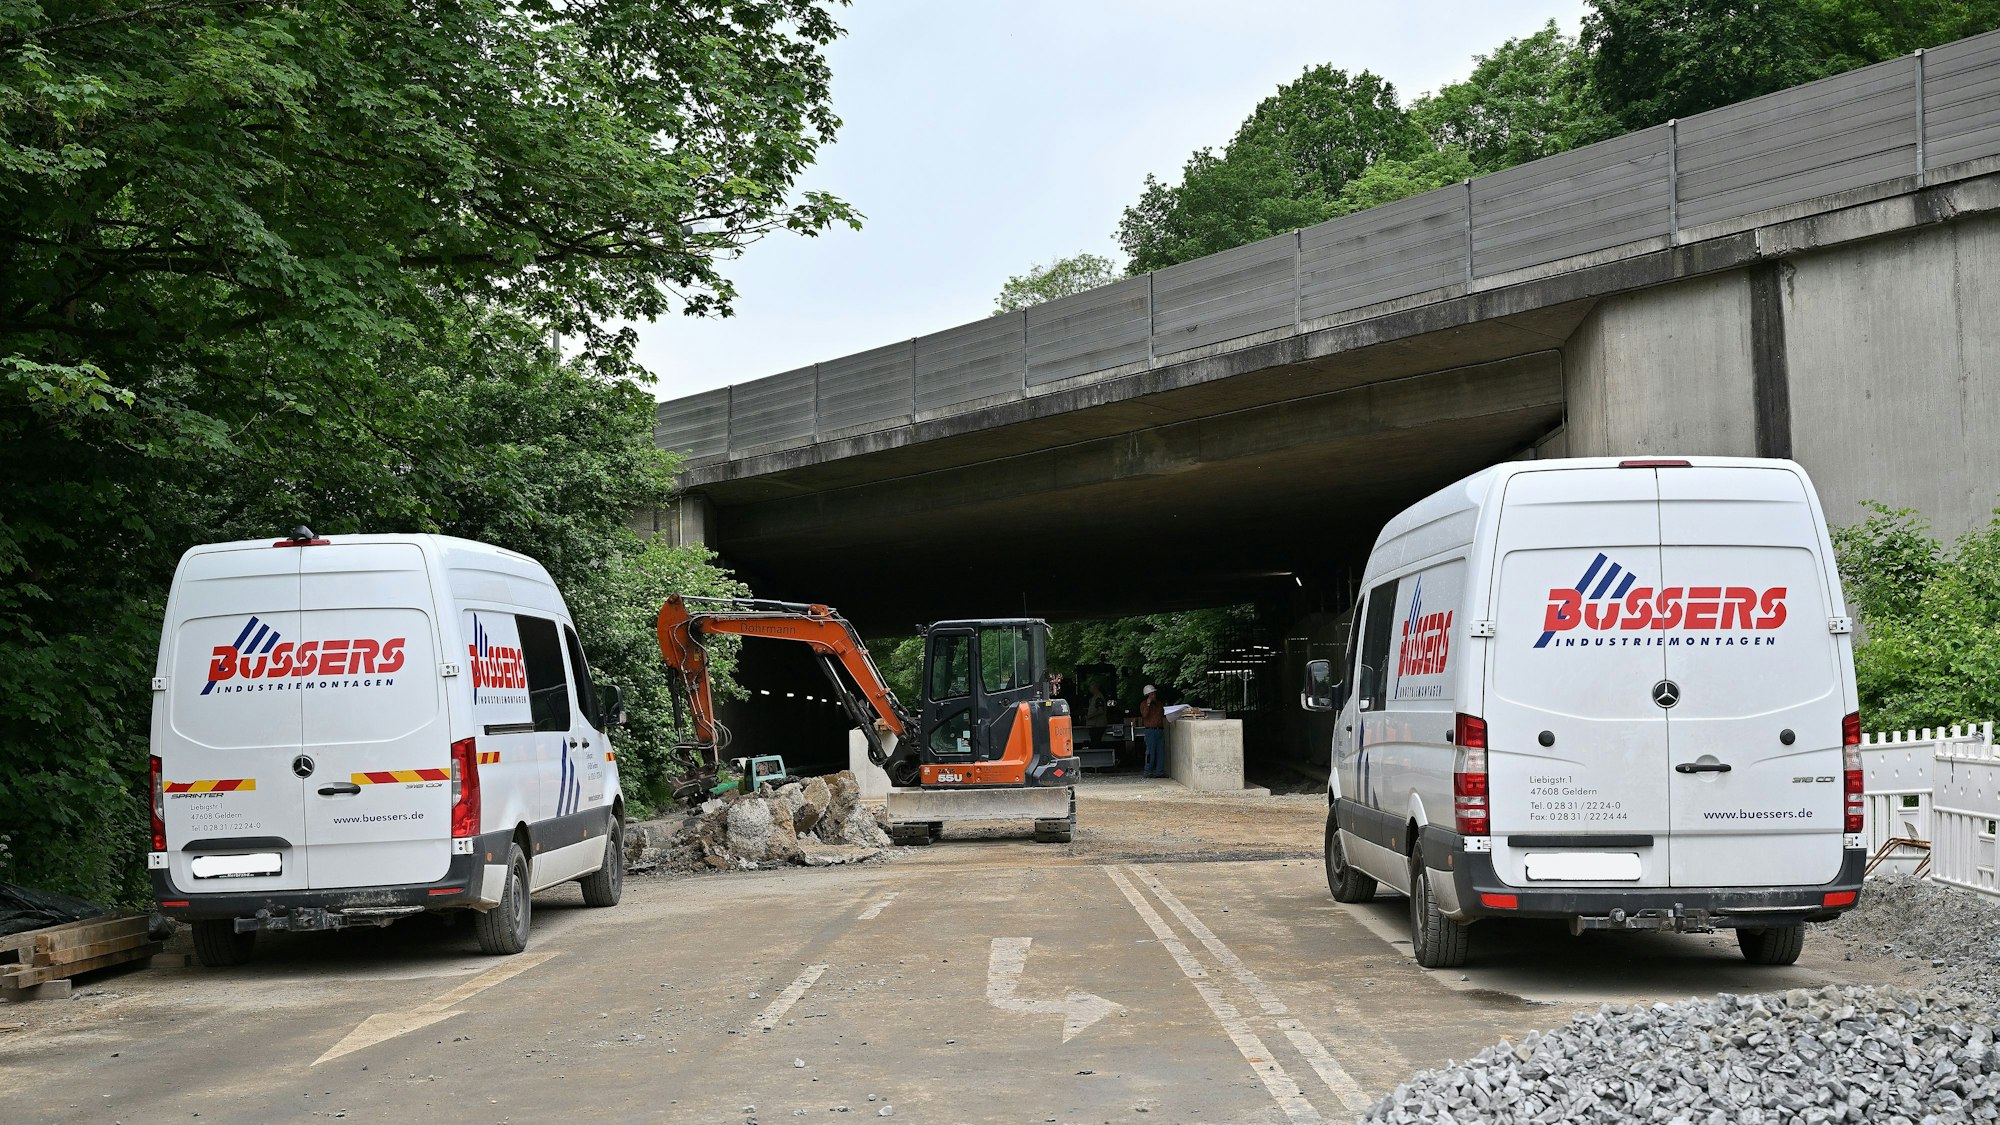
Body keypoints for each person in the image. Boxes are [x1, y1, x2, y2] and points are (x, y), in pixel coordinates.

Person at [1139, 684, 1166, 778]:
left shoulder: (1159, 704)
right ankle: (1148, 771)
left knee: (1160, 751)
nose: (1154, 696)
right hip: (1150, 731)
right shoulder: (1143, 704)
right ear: (1148, 695)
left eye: (1154, 694)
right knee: (1150, 752)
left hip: (1159, 730)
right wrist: (1148, 704)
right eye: (1152, 694)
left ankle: (1160, 771)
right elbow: (1145, 715)